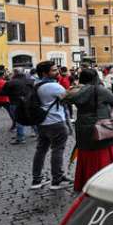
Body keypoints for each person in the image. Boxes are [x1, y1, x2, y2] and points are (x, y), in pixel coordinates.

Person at [64, 68, 113, 192]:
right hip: (100, 125)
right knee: (102, 152)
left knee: (86, 153)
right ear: (95, 77)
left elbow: (65, 98)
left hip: (83, 126)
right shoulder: (99, 89)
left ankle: (85, 181)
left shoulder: (76, 90)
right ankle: (104, 182)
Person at [31, 61, 72, 190]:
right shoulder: (54, 87)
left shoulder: (36, 84)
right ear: (45, 73)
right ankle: (57, 180)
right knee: (57, 150)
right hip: (56, 122)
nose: (57, 72)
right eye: (54, 70)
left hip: (42, 123)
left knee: (40, 150)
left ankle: (37, 179)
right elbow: (69, 98)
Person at [0, 68, 34, 144]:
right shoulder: (30, 81)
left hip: (15, 103)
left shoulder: (11, 82)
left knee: (19, 120)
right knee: (31, 118)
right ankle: (38, 134)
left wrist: (12, 93)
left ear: (14, 73)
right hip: (28, 103)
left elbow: (2, 93)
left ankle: (20, 138)